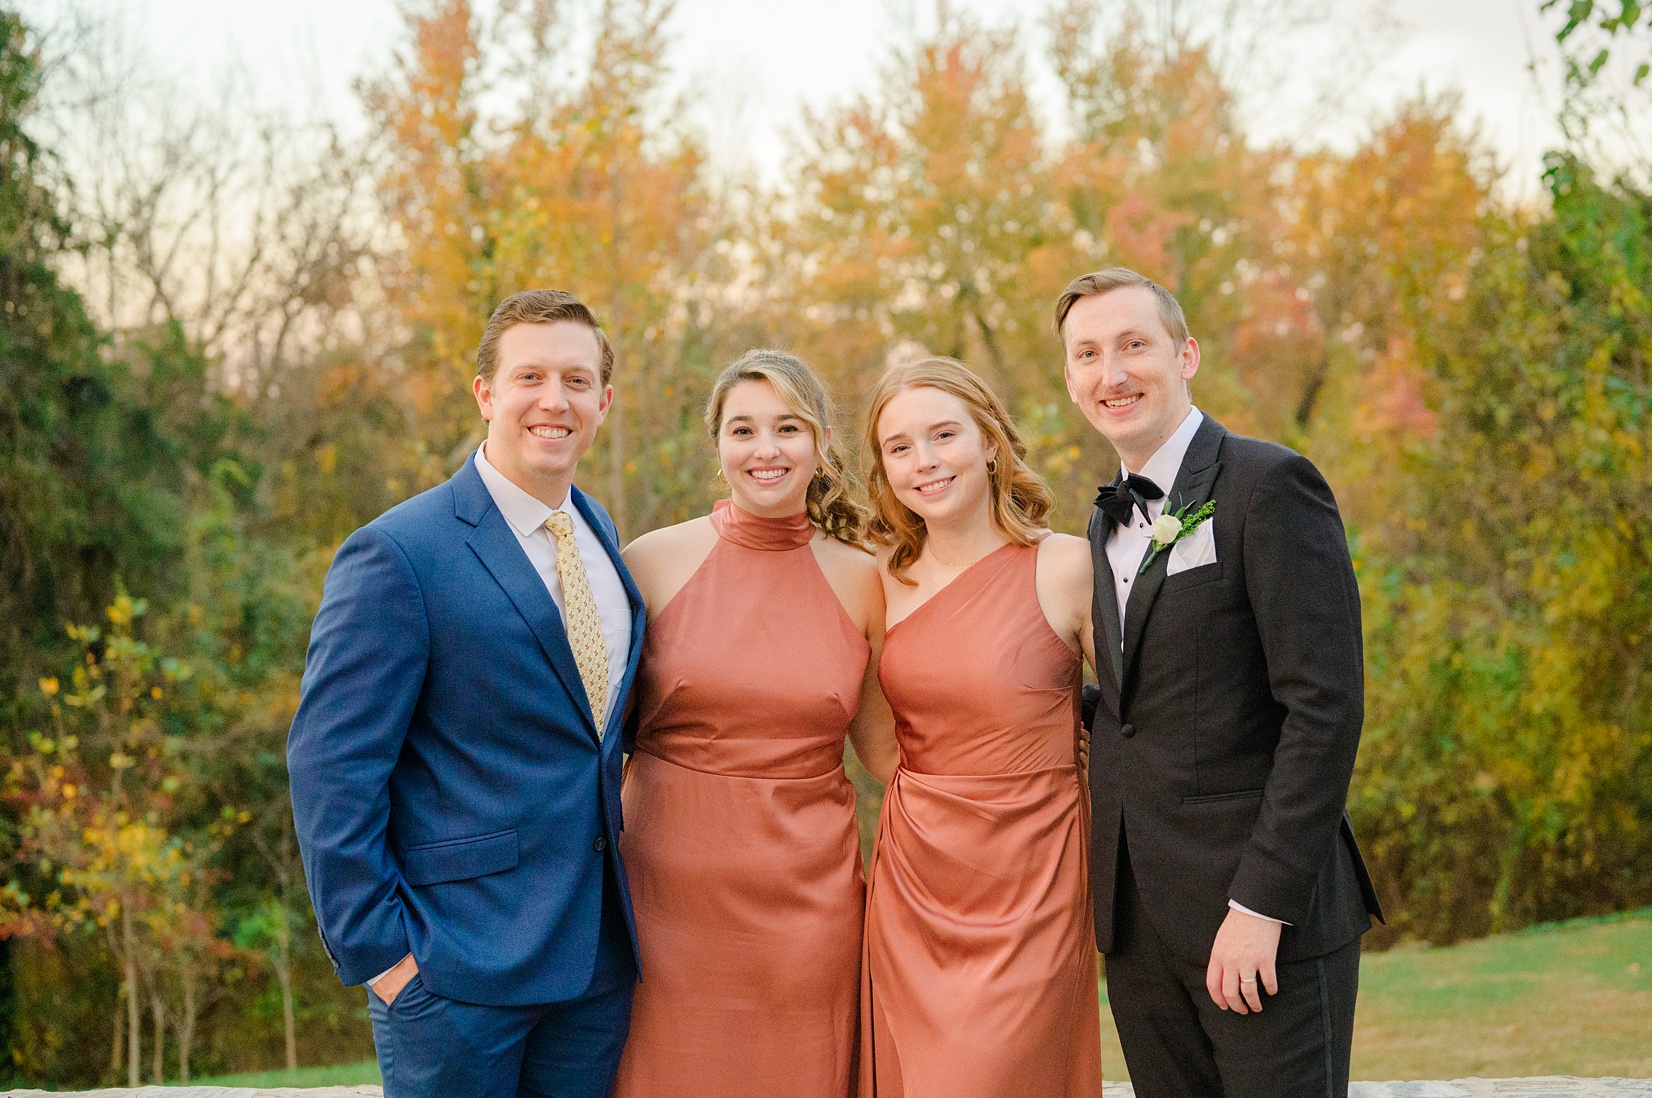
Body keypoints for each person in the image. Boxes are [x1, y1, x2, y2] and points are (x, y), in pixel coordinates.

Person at [289, 290, 645, 1098]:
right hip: (454, 976)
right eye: (530, 377)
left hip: (594, 969)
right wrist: (384, 960)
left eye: (577, 381)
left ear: (603, 403)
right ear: (485, 393)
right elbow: (329, 771)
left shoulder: (601, 536)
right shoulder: (398, 553)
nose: (554, 400)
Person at [1058, 267, 1381, 1098]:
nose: (1112, 373)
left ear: (1185, 353)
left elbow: (1324, 707)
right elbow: (1147, 710)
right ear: (1071, 379)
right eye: (1088, 354)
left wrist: (1260, 907)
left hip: (1258, 922)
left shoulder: (1268, 486)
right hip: (1139, 926)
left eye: (1134, 345)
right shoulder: (1103, 521)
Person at [610, 350, 894, 1097]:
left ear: (821, 441)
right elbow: (588, 742)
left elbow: (892, 756)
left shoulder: (865, 577)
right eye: (743, 429)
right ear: (718, 445)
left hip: (807, 908)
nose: (765, 450)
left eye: (787, 428)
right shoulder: (648, 564)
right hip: (663, 901)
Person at [855, 355, 1102, 1098]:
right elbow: (877, 745)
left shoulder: (1066, 567)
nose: (924, 462)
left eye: (943, 436)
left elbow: (1141, 720)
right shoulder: (877, 581)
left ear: (990, 441)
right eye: (900, 448)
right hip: (916, 882)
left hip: (1038, 881)